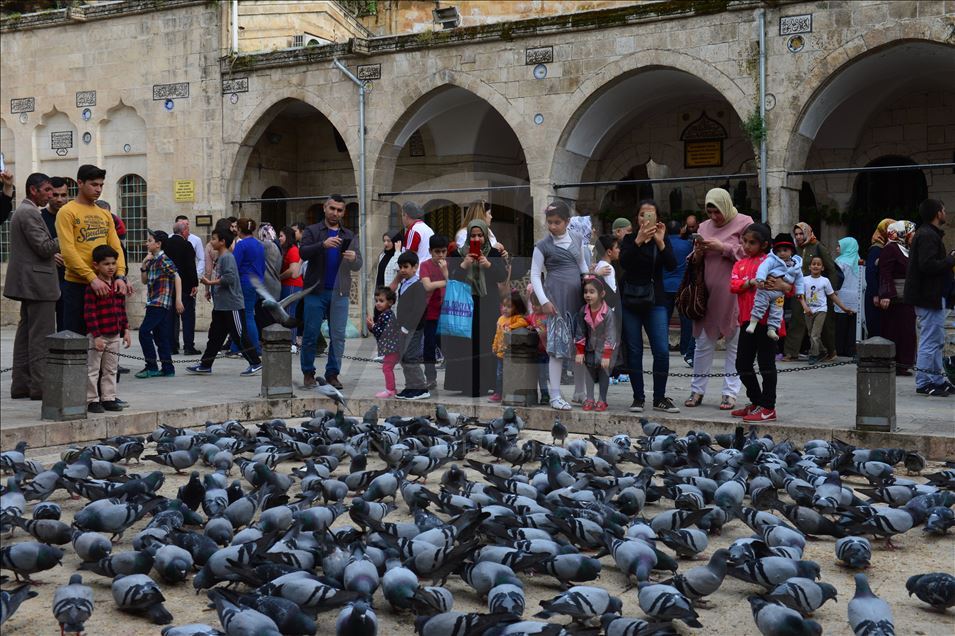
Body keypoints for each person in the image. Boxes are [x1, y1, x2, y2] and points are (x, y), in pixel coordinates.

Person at [685, 188, 753, 410]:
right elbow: (695, 259)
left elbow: (750, 253)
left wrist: (722, 247)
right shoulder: (704, 227)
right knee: (703, 343)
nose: (714, 217)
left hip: (734, 292)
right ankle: (697, 391)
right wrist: (698, 252)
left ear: (726, 205)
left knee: (733, 342)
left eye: (717, 212)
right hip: (706, 293)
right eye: (710, 211)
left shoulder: (744, 222)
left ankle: (730, 393)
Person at [619, 200, 679, 413]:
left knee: (661, 350)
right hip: (631, 301)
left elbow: (672, 265)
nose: (646, 219)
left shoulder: (661, 240)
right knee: (634, 350)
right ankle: (638, 397)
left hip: (656, 301)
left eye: (651, 215)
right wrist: (637, 241)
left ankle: (660, 397)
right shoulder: (628, 239)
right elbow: (625, 263)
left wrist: (661, 242)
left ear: (657, 219)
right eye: (643, 214)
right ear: (637, 218)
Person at [299, 194, 362, 390]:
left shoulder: (349, 235)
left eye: (340, 210)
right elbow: (303, 252)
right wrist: (322, 245)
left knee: (338, 336)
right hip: (315, 291)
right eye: (332, 208)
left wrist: (353, 258)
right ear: (325, 208)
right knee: (310, 333)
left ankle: (332, 373)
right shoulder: (312, 230)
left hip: (340, 292)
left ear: (343, 212)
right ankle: (308, 373)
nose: (335, 213)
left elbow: (358, 265)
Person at [731, 223, 793, 422]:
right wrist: (749, 283)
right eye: (745, 242)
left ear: (764, 244)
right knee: (742, 363)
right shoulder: (739, 264)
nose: (747, 246)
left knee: (766, 365)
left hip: (767, 323)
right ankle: (756, 401)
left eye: (752, 242)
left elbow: (789, 288)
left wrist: (783, 285)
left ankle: (768, 407)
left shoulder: (773, 262)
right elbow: (733, 285)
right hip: (747, 321)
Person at [530, 201, 589, 410]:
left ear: (567, 222)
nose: (553, 226)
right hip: (556, 297)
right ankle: (555, 396)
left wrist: (588, 283)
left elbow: (582, 264)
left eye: (557, 222)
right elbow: (535, 275)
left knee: (579, 344)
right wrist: (544, 301)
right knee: (557, 347)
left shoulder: (577, 238)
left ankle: (580, 392)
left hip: (578, 298)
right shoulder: (542, 245)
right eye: (550, 222)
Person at [56, 165, 128, 335]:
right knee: (76, 339)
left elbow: (116, 247)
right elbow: (68, 250)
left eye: (101, 185)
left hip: (105, 285)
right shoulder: (67, 212)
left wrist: (120, 276)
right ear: (80, 183)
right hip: (77, 285)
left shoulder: (104, 214)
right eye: (94, 184)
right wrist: (92, 278)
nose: (98, 189)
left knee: (105, 338)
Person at [4, 172, 57, 400]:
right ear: (33, 190)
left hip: (31, 282)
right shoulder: (28, 213)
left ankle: (22, 385)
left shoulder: (26, 211)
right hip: (38, 283)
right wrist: (67, 234)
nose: (50, 195)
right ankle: (40, 386)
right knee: (40, 336)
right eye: (46, 190)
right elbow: (44, 248)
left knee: (26, 334)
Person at [444, 218, 508, 397]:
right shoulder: (458, 253)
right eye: (473, 236)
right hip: (465, 304)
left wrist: (487, 264)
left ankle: (486, 383)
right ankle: (465, 383)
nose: (477, 239)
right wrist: (464, 264)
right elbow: (453, 276)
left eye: (480, 235)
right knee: (465, 343)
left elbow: (501, 275)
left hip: (487, 304)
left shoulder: (494, 253)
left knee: (486, 341)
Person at [187, 227, 262, 376]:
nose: (211, 241)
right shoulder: (221, 257)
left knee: (239, 335)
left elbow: (229, 278)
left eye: (214, 239)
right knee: (215, 336)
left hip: (231, 305)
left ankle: (255, 362)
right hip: (221, 306)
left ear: (222, 242)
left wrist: (210, 282)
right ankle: (205, 364)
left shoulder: (227, 257)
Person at [904, 199, 955, 396]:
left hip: (932, 295)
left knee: (937, 340)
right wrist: (950, 260)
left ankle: (937, 380)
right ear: (937, 213)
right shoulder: (927, 235)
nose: (945, 213)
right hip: (929, 296)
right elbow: (927, 265)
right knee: (930, 340)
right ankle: (924, 382)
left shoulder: (928, 234)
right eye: (943, 209)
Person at [782, 222, 840, 362]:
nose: (799, 237)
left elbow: (831, 269)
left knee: (824, 324)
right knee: (797, 319)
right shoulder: (795, 249)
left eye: (801, 233)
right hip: (800, 290)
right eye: (796, 234)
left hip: (819, 291)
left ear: (807, 232)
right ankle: (791, 352)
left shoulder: (818, 247)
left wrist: (831, 290)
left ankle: (830, 351)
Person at [84, 245, 130, 413]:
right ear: (96, 265)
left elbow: (121, 309)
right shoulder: (93, 288)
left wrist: (126, 330)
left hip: (114, 335)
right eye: (106, 264)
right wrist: (96, 336)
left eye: (113, 263)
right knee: (93, 369)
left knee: (111, 369)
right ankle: (91, 400)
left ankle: (108, 398)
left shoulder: (118, 285)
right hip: (98, 335)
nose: (111, 267)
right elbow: (89, 313)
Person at [136, 230, 183, 378]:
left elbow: (177, 276)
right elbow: (144, 280)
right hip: (153, 301)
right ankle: (168, 368)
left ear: (158, 244)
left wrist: (178, 300)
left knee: (144, 332)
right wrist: (144, 263)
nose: (147, 243)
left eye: (150, 241)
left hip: (159, 302)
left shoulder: (163, 259)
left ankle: (151, 366)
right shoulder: (153, 260)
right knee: (160, 336)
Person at [746, 232, 804, 341]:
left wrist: (800, 291)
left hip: (780, 294)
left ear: (791, 251)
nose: (781, 253)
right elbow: (763, 268)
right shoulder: (772, 260)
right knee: (759, 305)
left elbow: (800, 280)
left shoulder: (796, 266)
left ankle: (772, 329)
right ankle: (753, 323)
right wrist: (761, 279)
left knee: (777, 311)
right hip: (766, 289)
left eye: (785, 250)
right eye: (779, 250)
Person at [878, 220, 917, 376]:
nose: (913, 235)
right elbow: (885, 272)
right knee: (895, 330)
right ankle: (895, 363)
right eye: (911, 232)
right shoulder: (891, 249)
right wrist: (886, 294)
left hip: (907, 297)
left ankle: (904, 363)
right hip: (896, 299)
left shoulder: (905, 249)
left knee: (907, 331)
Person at [574, 277, 617, 412]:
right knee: (589, 373)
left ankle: (602, 399)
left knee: (604, 373)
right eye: (586, 292)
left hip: (604, 350)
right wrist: (580, 351)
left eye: (592, 292)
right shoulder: (583, 311)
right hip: (589, 349)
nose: (588, 295)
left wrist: (607, 354)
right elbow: (580, 331)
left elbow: (611, 334)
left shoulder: (608, 313)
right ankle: (590, 398)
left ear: (601, 294)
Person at [803, 256, 855, 365]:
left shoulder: (825, 281)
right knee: (811, 334)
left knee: (814, 335)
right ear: (809, 267)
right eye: (813, 264)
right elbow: (800, 296)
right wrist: (805, 307)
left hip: (821, 310)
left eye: (818, 264)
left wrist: (844, 308)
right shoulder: (805, 280)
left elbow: (832, 296)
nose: (815, 266)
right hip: (808, 311)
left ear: (822, 268)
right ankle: (822, 351)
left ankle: (814, 355)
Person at [394, 251, 429, 400]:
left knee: (411, 357)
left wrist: (407, 326)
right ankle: (410, 387)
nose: (403, 270)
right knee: (404, 358)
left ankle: (421, 388)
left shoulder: (418, 285)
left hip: (414, 329)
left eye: (406, 266)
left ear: (415, 267)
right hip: (403, 328)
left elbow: (418, 310)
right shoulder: (403, 284)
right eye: (401, 267)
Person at [662, 220, 695, 366]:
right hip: (682, 285)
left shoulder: (662, 244)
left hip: (665, 285)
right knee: (686, 321)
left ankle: (662, 347)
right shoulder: (687, 244)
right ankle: (685, 349)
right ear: (681, 230)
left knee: (662, 320)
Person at [419, 235, 450, 390]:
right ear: (430, 251)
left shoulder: (448, 265)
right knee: (429, 346)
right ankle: (430, 378)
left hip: (446, 312)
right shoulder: (425, 265)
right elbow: (427, 286)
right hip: (429, 312)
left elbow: (455, 285)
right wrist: (446, 282)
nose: (441, 255)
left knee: (446, 345)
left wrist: (445, 272)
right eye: (437, 251)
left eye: (443, 251)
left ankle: (452, 376)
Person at [165, 220, 200, 356]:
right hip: (185, 286)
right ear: (183, 231)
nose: (189, 232)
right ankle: (188, 346)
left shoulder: (166, 244)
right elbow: (190, 266)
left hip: (169, 287)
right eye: (187, 230)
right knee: (188, 317)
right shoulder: (186, 245)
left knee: (171, 317)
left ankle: (172, 346)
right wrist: (194, 284)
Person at [232, 218, 265, 357]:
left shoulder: (241, 245)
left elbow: (235, 266)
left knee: (246, 316)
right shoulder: (259, 244)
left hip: (244, 282)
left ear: (240, 229)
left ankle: (252, 347)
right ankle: (241, 346)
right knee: (249, 315)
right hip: (257, 282)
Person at [40, 177, 69, 331]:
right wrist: (50, 256)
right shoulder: (39, 217)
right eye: (56, 195)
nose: (60, 199)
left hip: (69, 278)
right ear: (49, 194)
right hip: (46, 279)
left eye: (63, 195)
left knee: (66, 326)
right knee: (45, 326)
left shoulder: (72, 215)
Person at [490, 291, 529, 402]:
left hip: (512, 354)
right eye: (504, 306)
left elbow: (523, 322)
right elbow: (497, 334)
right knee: (499, 375)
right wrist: (494, 345)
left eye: (509, 307)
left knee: (510, 375)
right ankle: (498, 393)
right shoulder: (500, 319)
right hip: (501, 353)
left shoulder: (516, 318)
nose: (505, 309)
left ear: (517, 308)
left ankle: (509, 393)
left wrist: (511, 326)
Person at [367, 286, 401, 399]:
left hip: (392, 348)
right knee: (387, 368)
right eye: (376, 301)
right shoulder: (385, 314)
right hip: (391, 348)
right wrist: (372, 327)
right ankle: (392, 388)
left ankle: (390, 390)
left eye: (381, 301)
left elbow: (382, 332)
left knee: (387, 368)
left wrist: (373, 326)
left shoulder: (387, 315)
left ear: (390, 302)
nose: (378, 303)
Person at [865, 218, 894, 340]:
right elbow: (871, 273)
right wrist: (875, 294)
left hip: (880, 293)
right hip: (875, 296)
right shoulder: (876, 249)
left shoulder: (885, 248)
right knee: (876, 328)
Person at [834, 236, 862, 357]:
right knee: (853, 326)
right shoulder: (859, 260)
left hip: (842, 296)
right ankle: (851, 350)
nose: (837, 248)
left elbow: (836, 280)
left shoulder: (840, 262)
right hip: (856, 297)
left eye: (839, 246)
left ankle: (839, 349)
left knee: (841, 324)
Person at [254, 222, 284, 333]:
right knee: (270, 317)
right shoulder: (276, 246)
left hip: (267, 288)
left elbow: (250, 242)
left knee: (264, 318)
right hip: (275, 286)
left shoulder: (267, 245)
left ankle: (264, 343)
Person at [279, 225, 303, 351]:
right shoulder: (288, 250)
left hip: (292, 285)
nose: (279, 238)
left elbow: (293, 270)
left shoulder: (293, 250)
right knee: (286, 313)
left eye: (281, 235)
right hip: (288, 285)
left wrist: (278, 277)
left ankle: (292, 342)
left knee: (290, 313)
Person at [525, 286, 550, 405]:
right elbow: (525, 321)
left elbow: (547, 332)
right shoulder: (533, 316)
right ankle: (538, 395)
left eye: (537, 304)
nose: (534, 307)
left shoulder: (547, 317)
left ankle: (545, 395)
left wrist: (537, 329)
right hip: (536, 352)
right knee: (536, 375)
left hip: (546, 351)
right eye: (533, 304)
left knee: (543, 376)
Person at [400, 201, 435, 266]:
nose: (402, 218)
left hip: (416, 273)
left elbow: (409, 257)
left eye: (402, 215)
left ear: (406, 215)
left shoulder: (413, 230)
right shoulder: (429, 229)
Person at [175, 214, 205, 281]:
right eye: (182, 224)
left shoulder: (196, 239)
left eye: (187, 224)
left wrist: (196, 275)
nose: (186, 226)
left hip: (189, 277)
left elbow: (201, 259)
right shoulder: (170, 238)